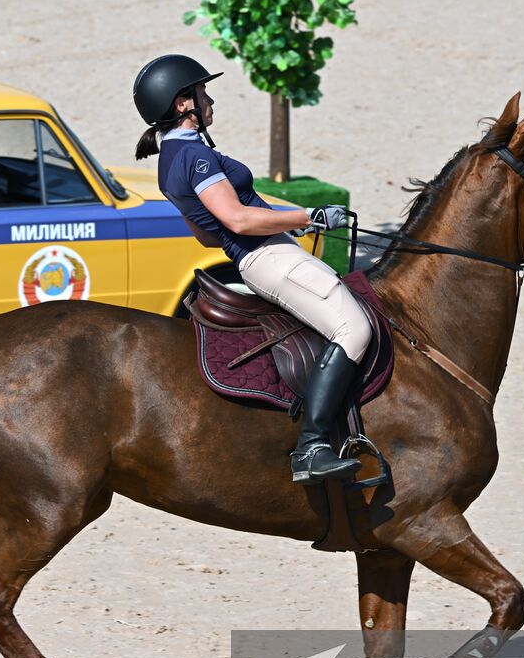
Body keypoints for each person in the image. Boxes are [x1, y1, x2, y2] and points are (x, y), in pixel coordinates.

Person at [133, 54, 372, 484]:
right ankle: (312, 446)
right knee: (354, 329)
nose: (210, 100)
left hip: (260, 256)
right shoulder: (196, 159)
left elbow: (207, 236)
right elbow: (238, 220)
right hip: (268, 257)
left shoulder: (172, 160)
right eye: (202, 92)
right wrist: (308, 217)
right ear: (183, 103)